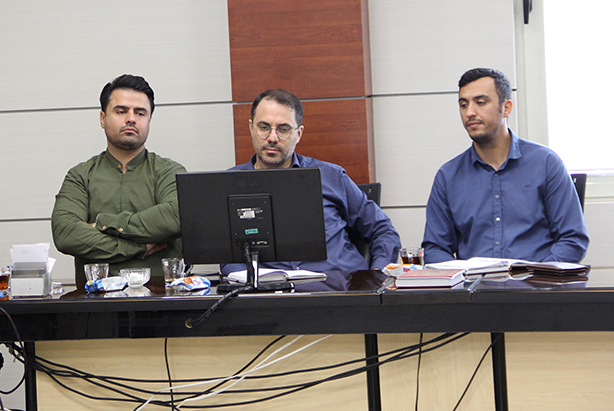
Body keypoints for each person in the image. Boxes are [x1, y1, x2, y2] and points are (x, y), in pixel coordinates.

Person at [226, 89, 401, 275]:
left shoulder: (331, 176)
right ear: (251, 128)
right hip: (270, 290)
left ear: (299, 134)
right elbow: (224, 253)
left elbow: (383, 231)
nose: (272, 138)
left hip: (342, 286)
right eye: (264, 127)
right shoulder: (229, 185)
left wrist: (377, 275)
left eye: (283, 129)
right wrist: (242, 278)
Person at [422, 68, 589, 263]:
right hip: (473, 281)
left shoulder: (545, 163)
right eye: (463, 104)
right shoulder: (448, 176)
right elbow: (435, 248)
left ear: (507, 107)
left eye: (480, 102)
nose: (469, 112)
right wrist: (459, 275)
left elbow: (572, 240)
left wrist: (540, 275)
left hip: (537, 279)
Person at [52, 74, 186, 284]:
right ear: (102, 118)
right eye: (121, 111)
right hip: (95, 299)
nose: (131, 118)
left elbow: (175, 217)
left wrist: (103, 224)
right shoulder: (80, 176)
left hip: (160, 297)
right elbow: (66, 233)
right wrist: (138, 247)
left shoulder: (169, 172)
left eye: (140, 113)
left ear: (149, 120)